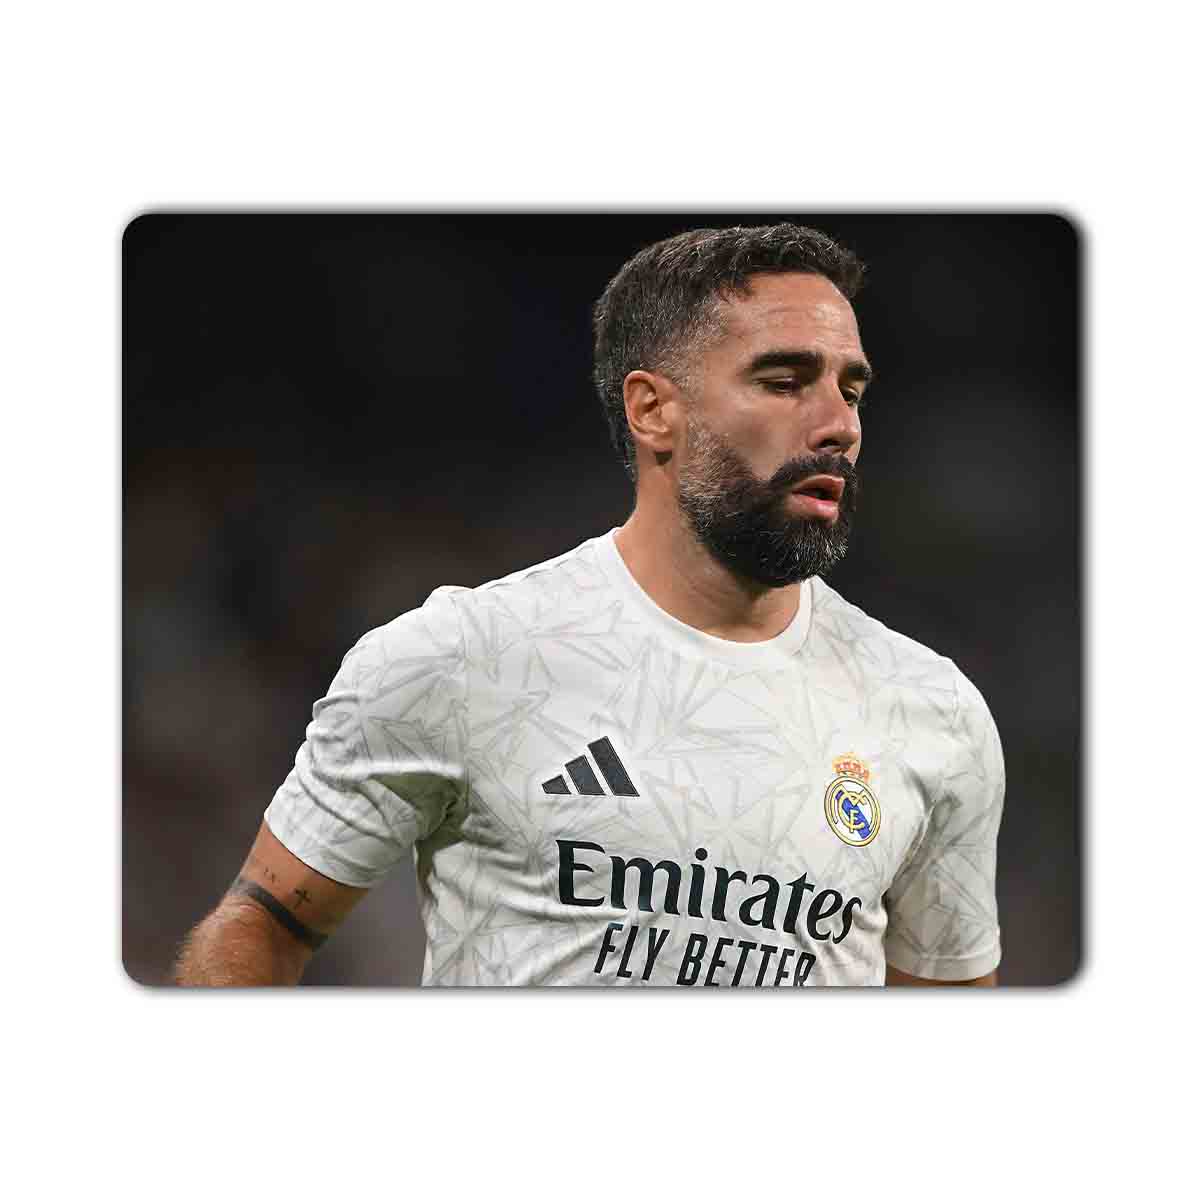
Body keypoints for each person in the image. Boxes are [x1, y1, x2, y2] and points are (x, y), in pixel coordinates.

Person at [173, 222, 1004, 987]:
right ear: (653, 410)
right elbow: (260, 928)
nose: (837, 425)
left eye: (851, 391)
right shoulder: (465, 656)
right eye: (784, 381)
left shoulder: (932, 711)